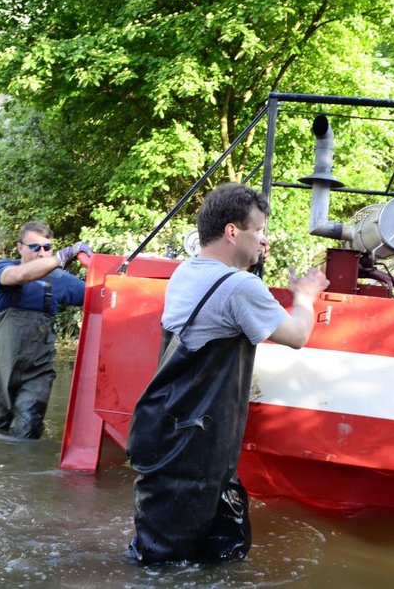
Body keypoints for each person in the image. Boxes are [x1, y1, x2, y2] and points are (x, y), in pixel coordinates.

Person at [125, 182, 329, 566]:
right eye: (260, 230)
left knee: (217, 553)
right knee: (165, 566)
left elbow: (223, 310)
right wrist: (305, 296)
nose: (264, 240)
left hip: (178, 438)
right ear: (233, 232)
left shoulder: (188, 273)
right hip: (195, 452)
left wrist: (249, 264)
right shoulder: (238, 287)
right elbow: (297, 335)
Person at [0, 221, 92, 439]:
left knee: (28, 431)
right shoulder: (3, 268)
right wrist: (60, 258)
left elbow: (102, 295)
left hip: (37, 369)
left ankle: (26, 467)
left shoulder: (61, 280)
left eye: (47, 248)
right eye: (35, 247)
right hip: (0, 366)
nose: (42, 253)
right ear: (20, 247)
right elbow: (20, 276)